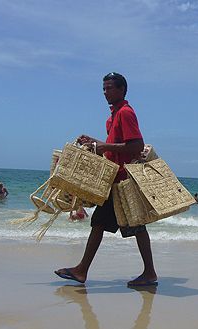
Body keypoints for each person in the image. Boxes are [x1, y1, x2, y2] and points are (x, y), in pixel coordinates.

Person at [55, 72, 157, 287]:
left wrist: (104, 146)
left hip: (122, 180)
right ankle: (149, 273)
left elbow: (137, 145)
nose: (105, 92)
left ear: (122, 90)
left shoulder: (126, 113)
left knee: (103, 224)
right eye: (103, 89)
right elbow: (116, 147)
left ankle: (82, 271)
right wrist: (95, 143)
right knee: (132, 225)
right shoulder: (112, 118)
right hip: (116, 179)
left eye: (109, 88)